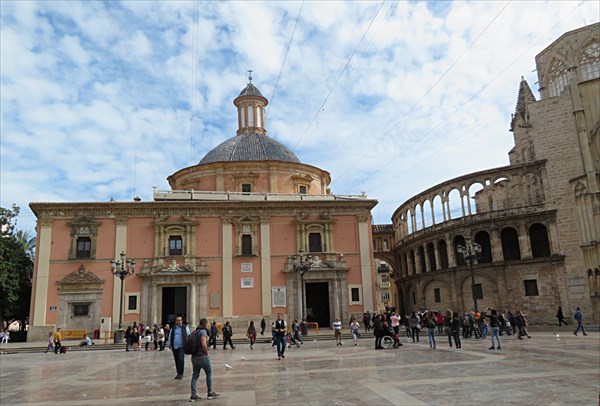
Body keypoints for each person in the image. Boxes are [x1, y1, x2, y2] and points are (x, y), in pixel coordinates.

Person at [189, 318, 220, 402]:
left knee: (195, 375)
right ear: (205, 324)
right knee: (209, 372)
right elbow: (203, 344)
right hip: (201, 356)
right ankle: (210, 392)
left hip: (194, 357)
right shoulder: (203, 331)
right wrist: (206, 352)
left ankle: (193, 395)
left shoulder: (195, 331)